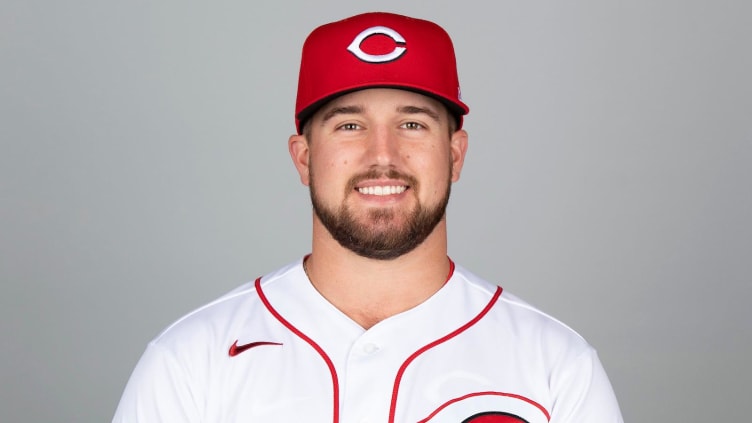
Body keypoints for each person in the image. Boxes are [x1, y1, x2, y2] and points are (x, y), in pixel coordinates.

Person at [113, 11, 623, 423]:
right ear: (304, 157)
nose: (384, 154)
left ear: (456, 154)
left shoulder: (555, 368)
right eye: (350, 124)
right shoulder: (191, 363)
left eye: (413, 123)